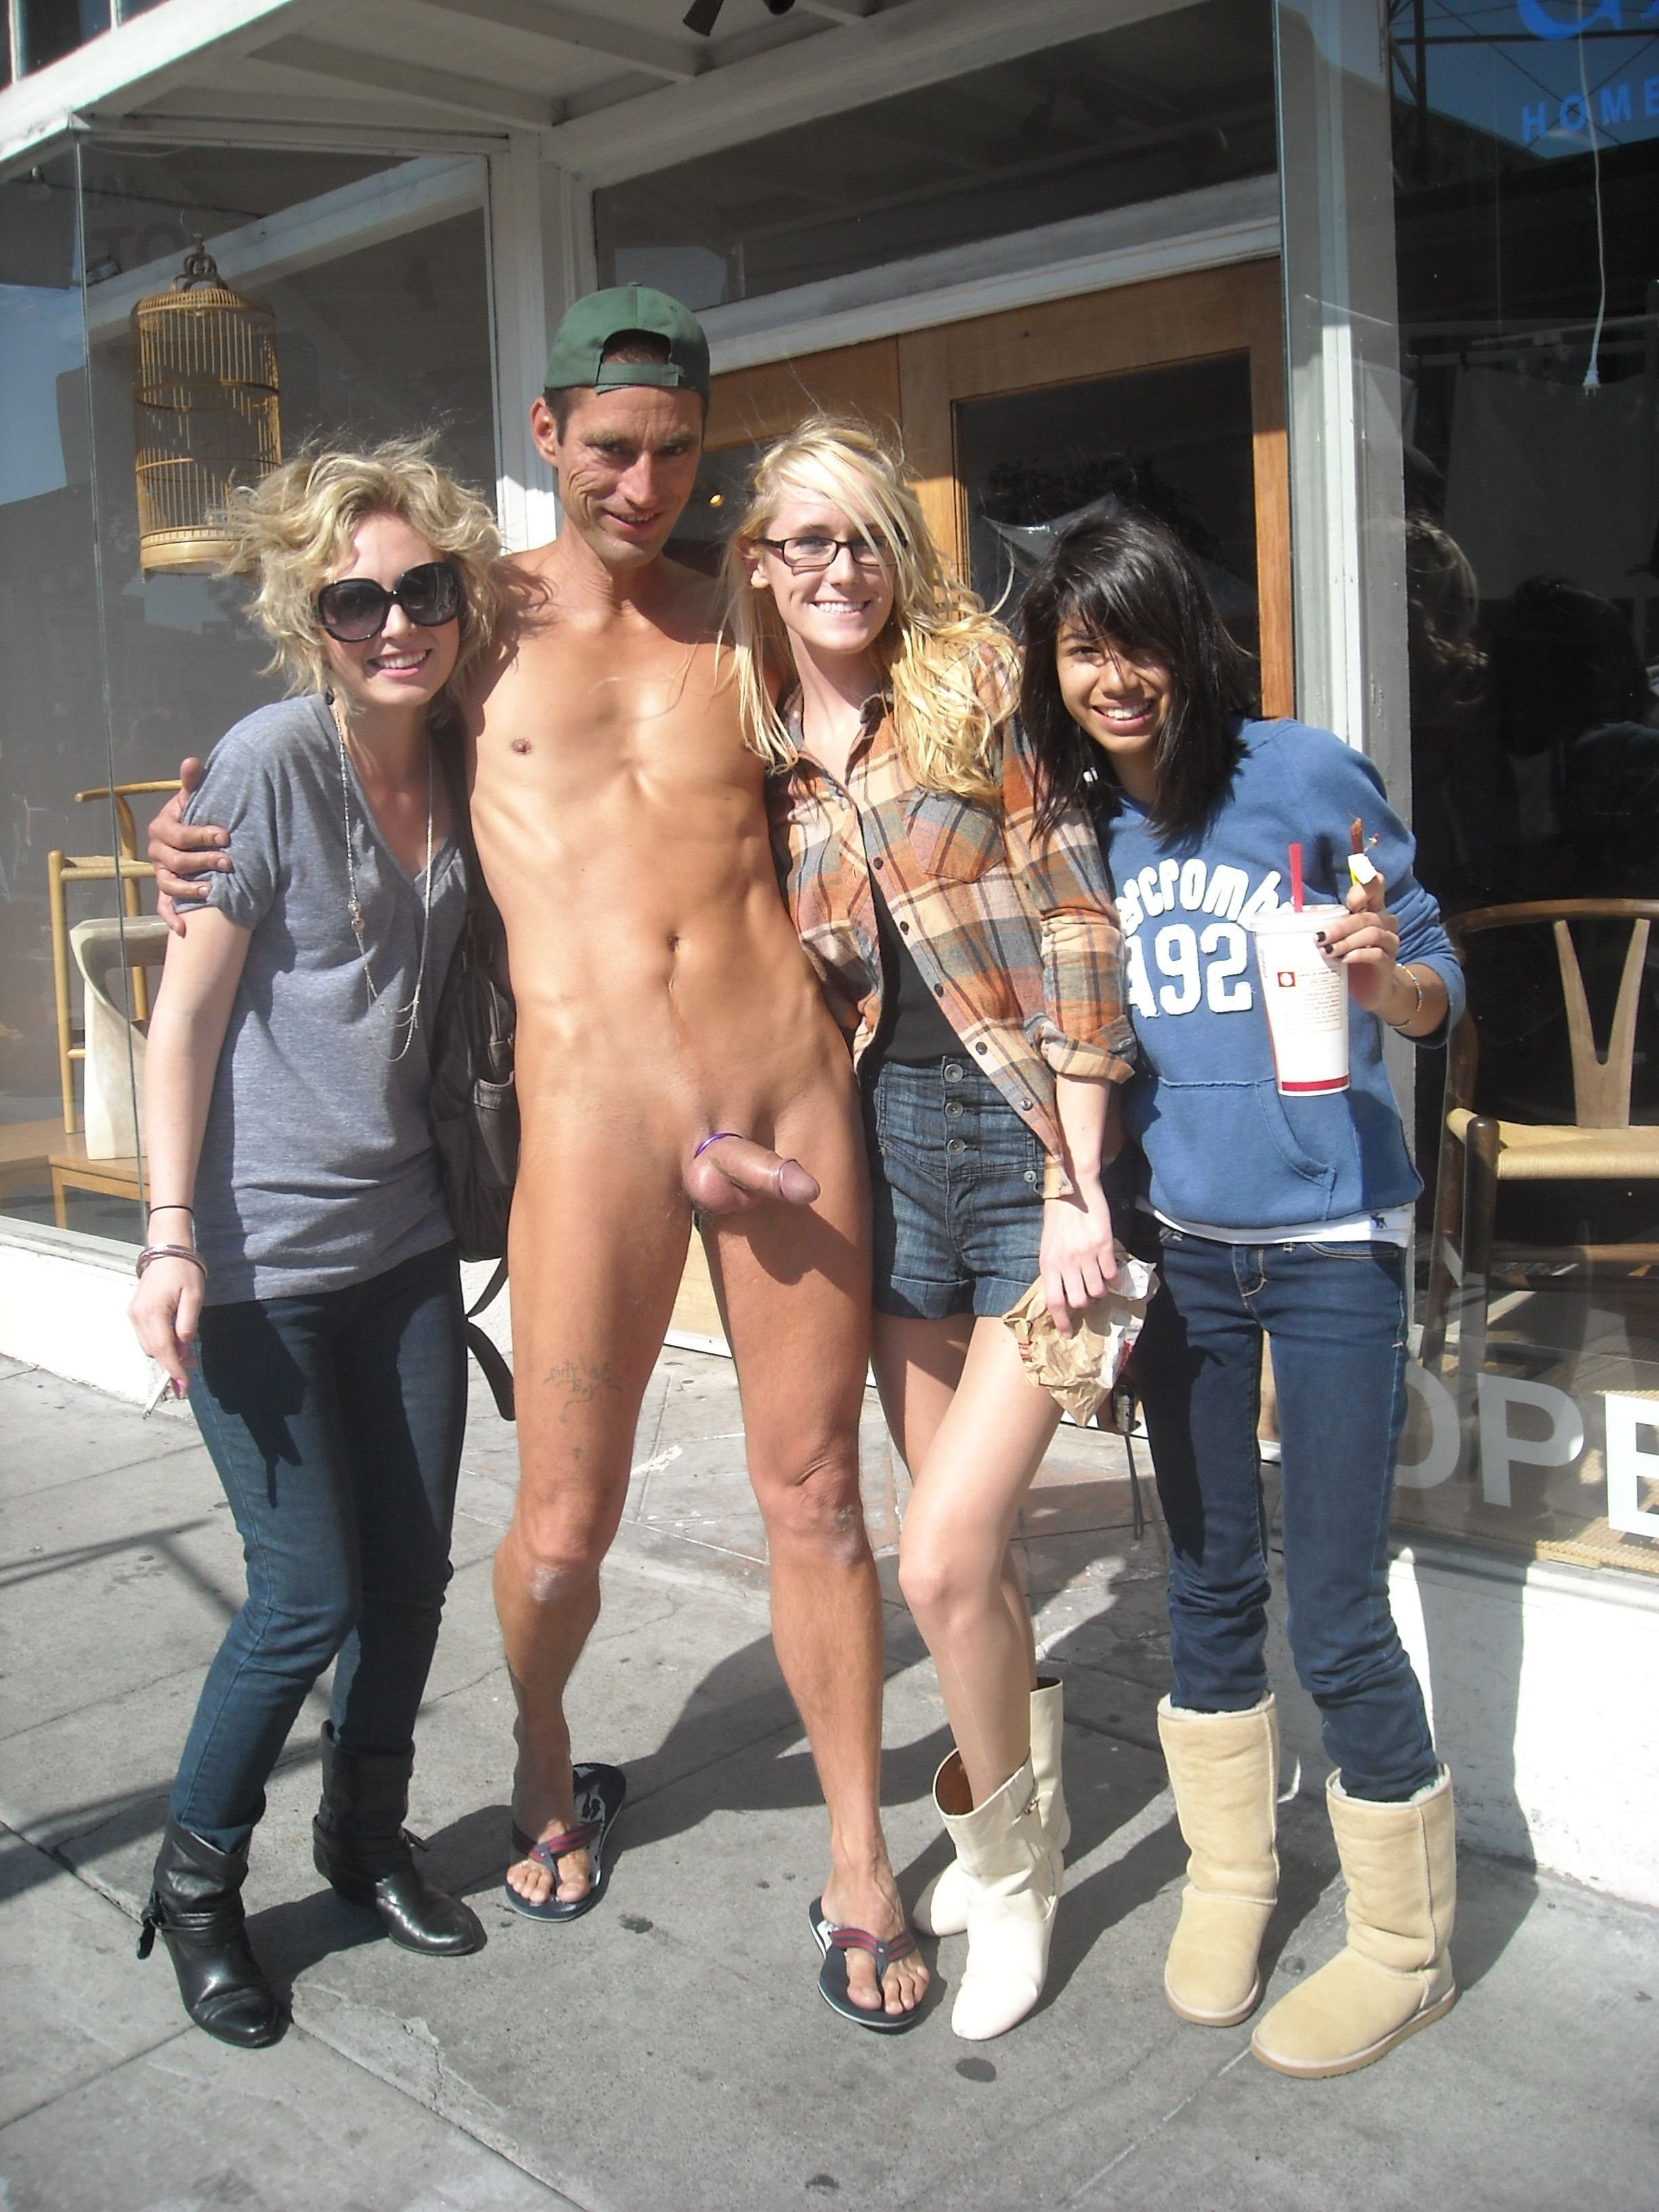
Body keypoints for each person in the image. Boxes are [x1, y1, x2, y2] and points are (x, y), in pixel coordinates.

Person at [148, 288, 928, 2027]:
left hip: (784, 1088)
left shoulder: (752, 606)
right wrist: (185, 831)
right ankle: (545, 1744)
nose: (645, 483)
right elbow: (327, 737)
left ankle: (862, 1857)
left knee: (818, 1495)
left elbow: (931, 724)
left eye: (677, 451)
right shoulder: (465, 621)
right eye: (613, 448)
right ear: (548, 434)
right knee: (564, 1530)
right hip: (595, 1114)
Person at [1018, 504, 1465, 2081]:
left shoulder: (1300, 776)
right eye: (1084, 649)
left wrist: (1388, 984)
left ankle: (1407, 1947)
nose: (1116, 678)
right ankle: (1232, 1875)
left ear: (1194, 646)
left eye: (1140, 642)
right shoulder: (1081, 827)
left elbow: (1428, 969)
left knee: (1335, 1605)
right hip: (1187, 1253)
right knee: (1208, 1586)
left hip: (1336, 1240)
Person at [729, 419, 1134, 2038]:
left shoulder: (974, 694)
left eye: (864, 538)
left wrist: (1081, 1179)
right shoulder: (752, 753)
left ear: (900, 551)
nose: (839, 569)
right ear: (762, 564)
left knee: (944, 1555)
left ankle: (1013, 1875)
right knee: (991, 1561)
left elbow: (1079, 918)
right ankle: (1024, 1814)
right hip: (880, 1165)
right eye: (806, 542)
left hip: (1027, 1146)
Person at [128, 442, 506, 2048]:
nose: (396, 623)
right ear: (312, 619)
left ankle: (364, 1838)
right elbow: (184, 1020)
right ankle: (197, 1887)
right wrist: (167, 1236)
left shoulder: (475, 747)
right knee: (304, 1597)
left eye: (424, 590)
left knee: (409, 1583)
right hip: (259, 1261)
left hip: (403, 1244)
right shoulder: (271, 761)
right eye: (357, 601)